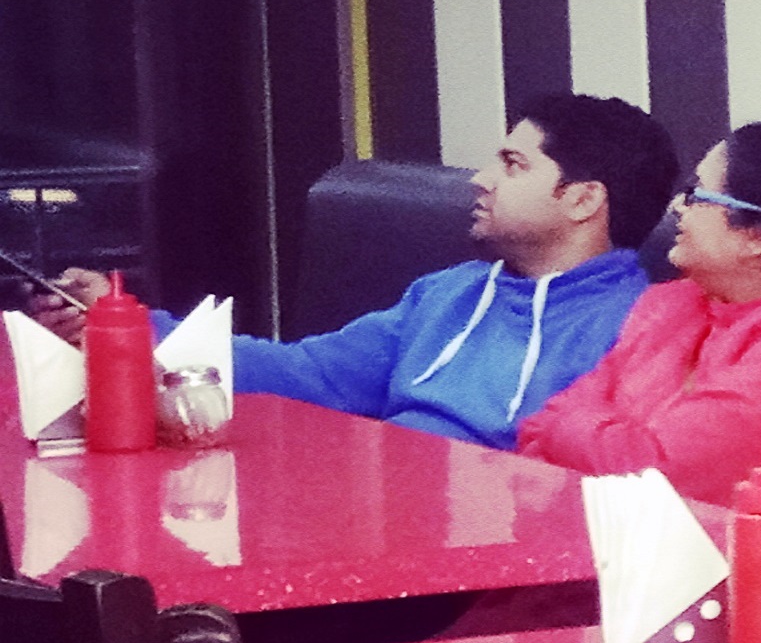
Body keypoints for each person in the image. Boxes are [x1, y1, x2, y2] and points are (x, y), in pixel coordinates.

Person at [28, 94, 678, 450]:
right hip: (380, 510)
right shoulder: (448, 292)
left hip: (495, 566)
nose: (481, 179)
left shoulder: (638, 327)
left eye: (512, 165)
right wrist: (132, 329)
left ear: (582, 199)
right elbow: (308, 374)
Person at [518, 122, 761, 597]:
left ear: (760, 234)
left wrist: (578, 434)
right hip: (601, 582)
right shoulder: (672, 304)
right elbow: (536, 431)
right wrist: (598, 444)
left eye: (697, 194)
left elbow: (659, 481)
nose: (677, 207)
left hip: (758, 616)